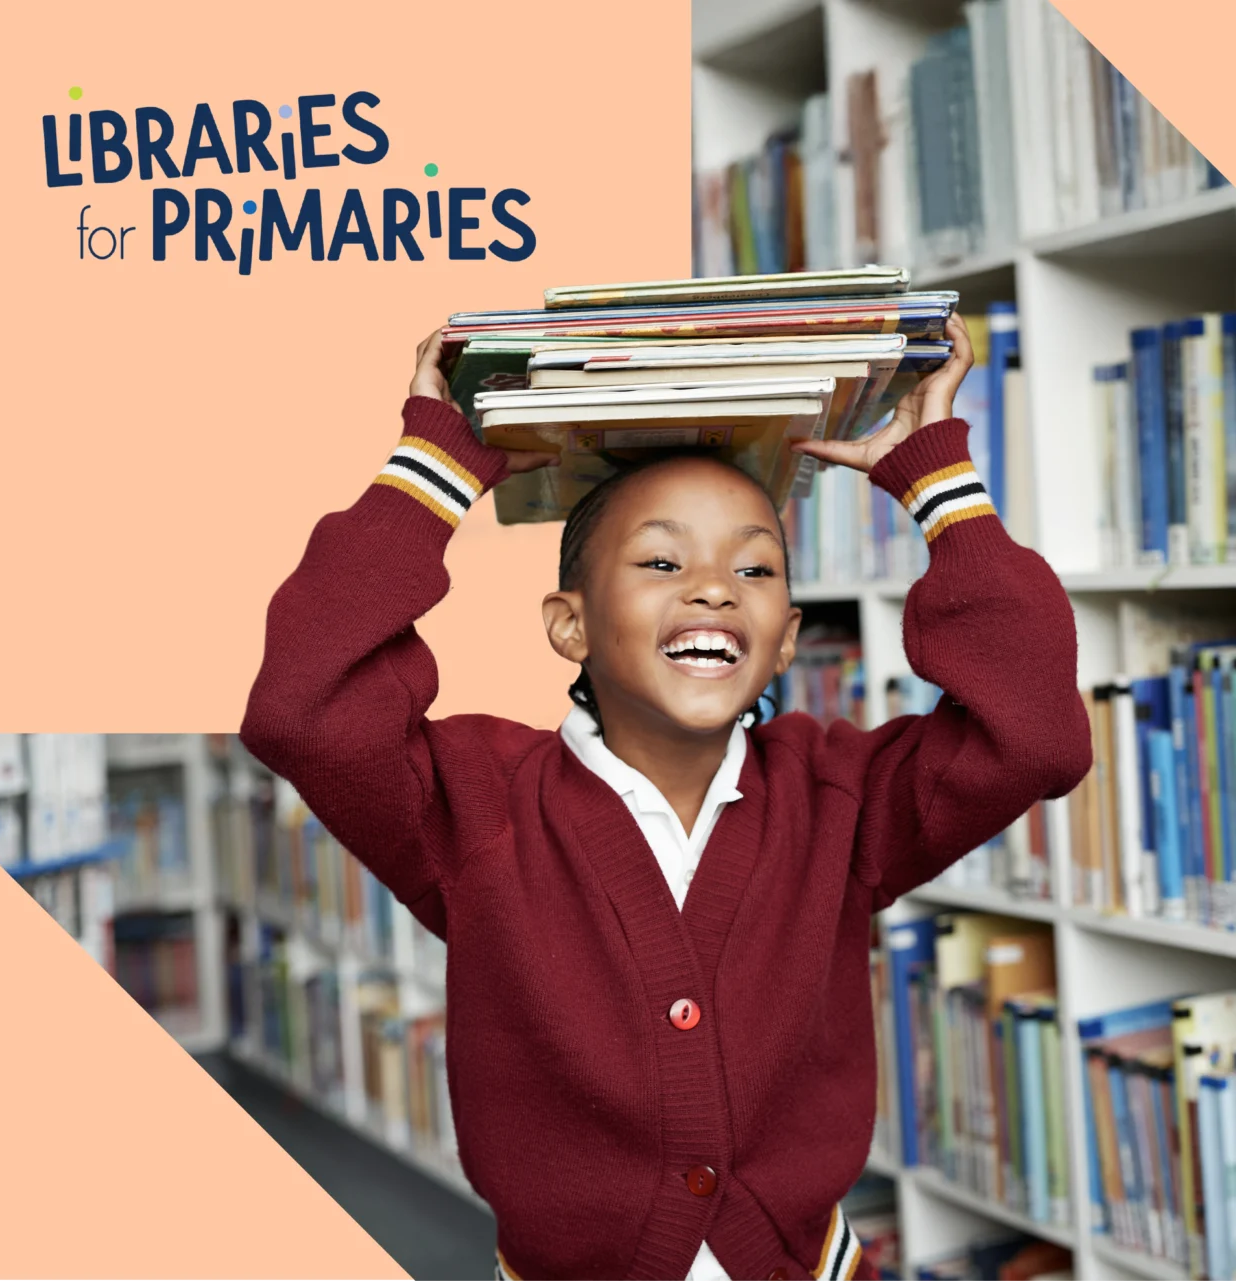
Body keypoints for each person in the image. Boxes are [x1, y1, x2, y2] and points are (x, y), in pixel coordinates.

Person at [239, 314, 1091, 1281]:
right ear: (570, 627)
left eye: (755, 566)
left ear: (783, 637)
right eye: (660, 561)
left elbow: (1036, 732)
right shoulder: (473, 806)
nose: (716, 589)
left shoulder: (844, 801)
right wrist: (434, 471)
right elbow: (303, 708)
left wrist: (937, 481)